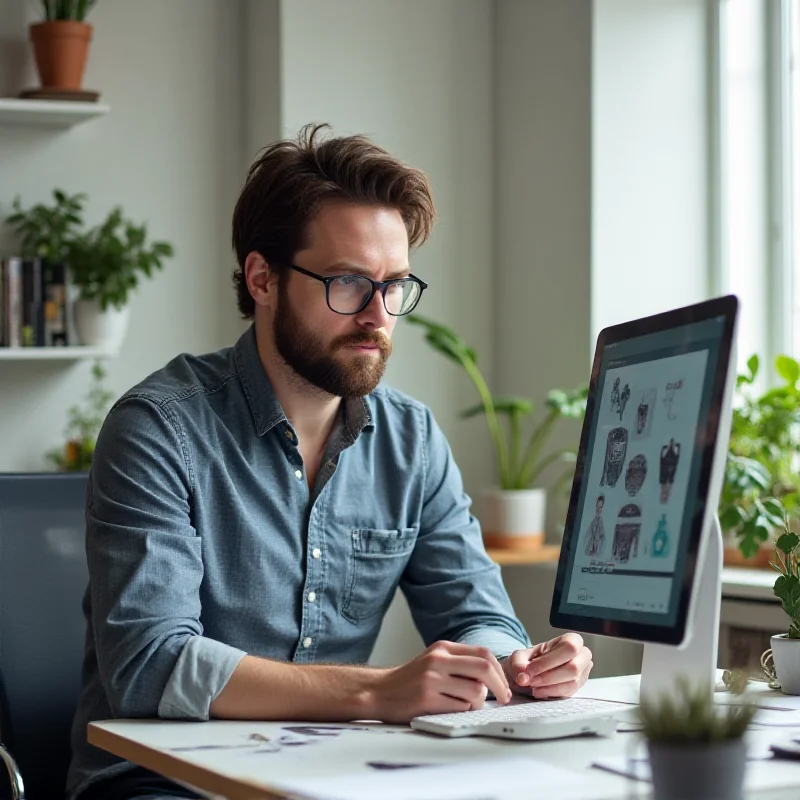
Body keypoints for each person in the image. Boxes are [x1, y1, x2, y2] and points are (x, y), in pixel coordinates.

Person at [66, 124, 593, 800]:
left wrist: (516, 667)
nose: (377, 315)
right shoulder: (159, 429)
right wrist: (378, 688)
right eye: (347, 282)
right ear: (262, 278)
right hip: (160, 783)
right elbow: (151, 663)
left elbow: (476, 615)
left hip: (334, 774)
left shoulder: (413, 441)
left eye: (394, 285)